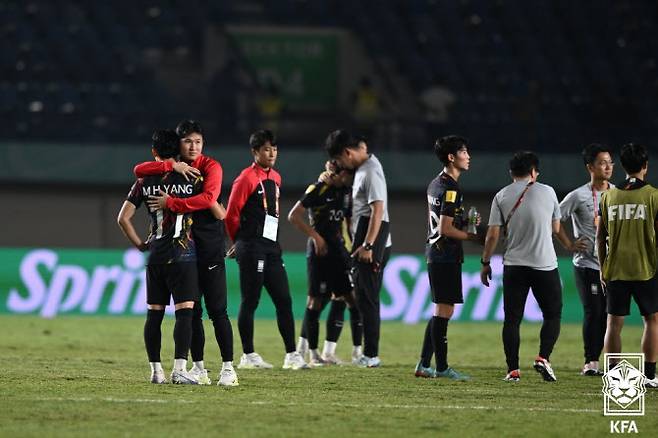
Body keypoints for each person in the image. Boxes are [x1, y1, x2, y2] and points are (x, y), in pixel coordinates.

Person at [133, 120, 238, 387]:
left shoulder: (210, 168)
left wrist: (172, 203)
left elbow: (211, 202)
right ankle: (199, 367)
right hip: (187, 250)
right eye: (188, 142)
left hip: (210, 245)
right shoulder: (176, 169)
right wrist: (172, 165)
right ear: (179, 145)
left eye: (198, 142)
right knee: (192, 313)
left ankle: (228, 369)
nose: (193, 147)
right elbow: (139, 169)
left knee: (218, 311)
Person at [117, 129, 201, 385]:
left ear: (154, 152)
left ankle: (156, 372)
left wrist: (141, 245)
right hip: (183, 254)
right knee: (185, 313)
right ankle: (179, 370)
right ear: (177, 150)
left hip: (155, 255)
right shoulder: (190, 177)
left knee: (154, 314)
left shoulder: (143, 181)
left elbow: (122, 218)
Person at [225, 129, 308, 370]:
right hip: (251, 247)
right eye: (266, 149)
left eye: (274, 149)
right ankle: (248, 356)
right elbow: (231, 215)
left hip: (272, 247)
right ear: (255, 152)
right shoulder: (246, 179)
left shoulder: (277, 177)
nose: (271, 153)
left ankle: (291, 355)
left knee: (284, 300)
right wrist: (238, 242)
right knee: (250, 300)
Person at [480, 151, 562, 382]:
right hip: (545, 264)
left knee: (512, 319)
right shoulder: (548, 191)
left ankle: (513, 370)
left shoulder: (501, 195)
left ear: (511, 173)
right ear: (534, 171)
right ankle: (543, 357)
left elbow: (492, 235)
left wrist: (486, 262)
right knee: (553, 314)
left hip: (514, 265)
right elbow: (556, 228)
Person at [325, 130, 391, 368]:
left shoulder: (371, 172)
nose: (341, 165)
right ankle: (368, 353)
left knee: (369, 300)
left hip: (371, 240)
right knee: (363, 299)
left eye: (340, 160)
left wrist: (368, 245)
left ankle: (371, 355)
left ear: (348, 153)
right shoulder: (363, 168)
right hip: (365, 238)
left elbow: (378, 210)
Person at [288, 161, 363, 366]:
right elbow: (293, 215)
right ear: (337, 174)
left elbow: (348, 222)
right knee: (315, 302)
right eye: (347, 174)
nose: (350, 178)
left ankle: (358, 354)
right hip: (319, 253)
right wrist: (316, 237)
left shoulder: (347, 191)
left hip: (339, 252)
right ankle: (312, 354)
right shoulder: (319, 188)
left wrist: (352, 245)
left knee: (351, 299)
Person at [415, 135, 477, 380]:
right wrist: (473, 237)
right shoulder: (450, 187)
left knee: (441, 309)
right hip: (444, 255)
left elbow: (443, 221)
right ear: (452, 157)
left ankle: (423, 364)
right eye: (464, 152)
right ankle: (441, 368)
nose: (468, 156)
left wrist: (463, 221)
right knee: (444, 310)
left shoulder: (435, 183)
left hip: (437, 254)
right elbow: (445, 229)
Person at [598, 143, 658, 388]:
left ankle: (613, 375)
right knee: (652, 320)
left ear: (622, 167)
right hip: (647, 268)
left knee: (613, 323)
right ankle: (650, 376)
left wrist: (603, 267)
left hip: (615, 268)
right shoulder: (653, 195)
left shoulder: (609, 195)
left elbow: (600, 236)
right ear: (645, 166)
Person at [556, 144, 614, 376]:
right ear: (590, 167)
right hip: (587, 265)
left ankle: (612, 363)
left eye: (610, 162)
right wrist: (569, 244)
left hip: (613, 267)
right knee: (594, 311)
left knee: (612, 314)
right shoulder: (578, 195)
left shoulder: (618, 193)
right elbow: (555, 218)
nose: (608, 166)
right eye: (602, 162)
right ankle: (591, 361)